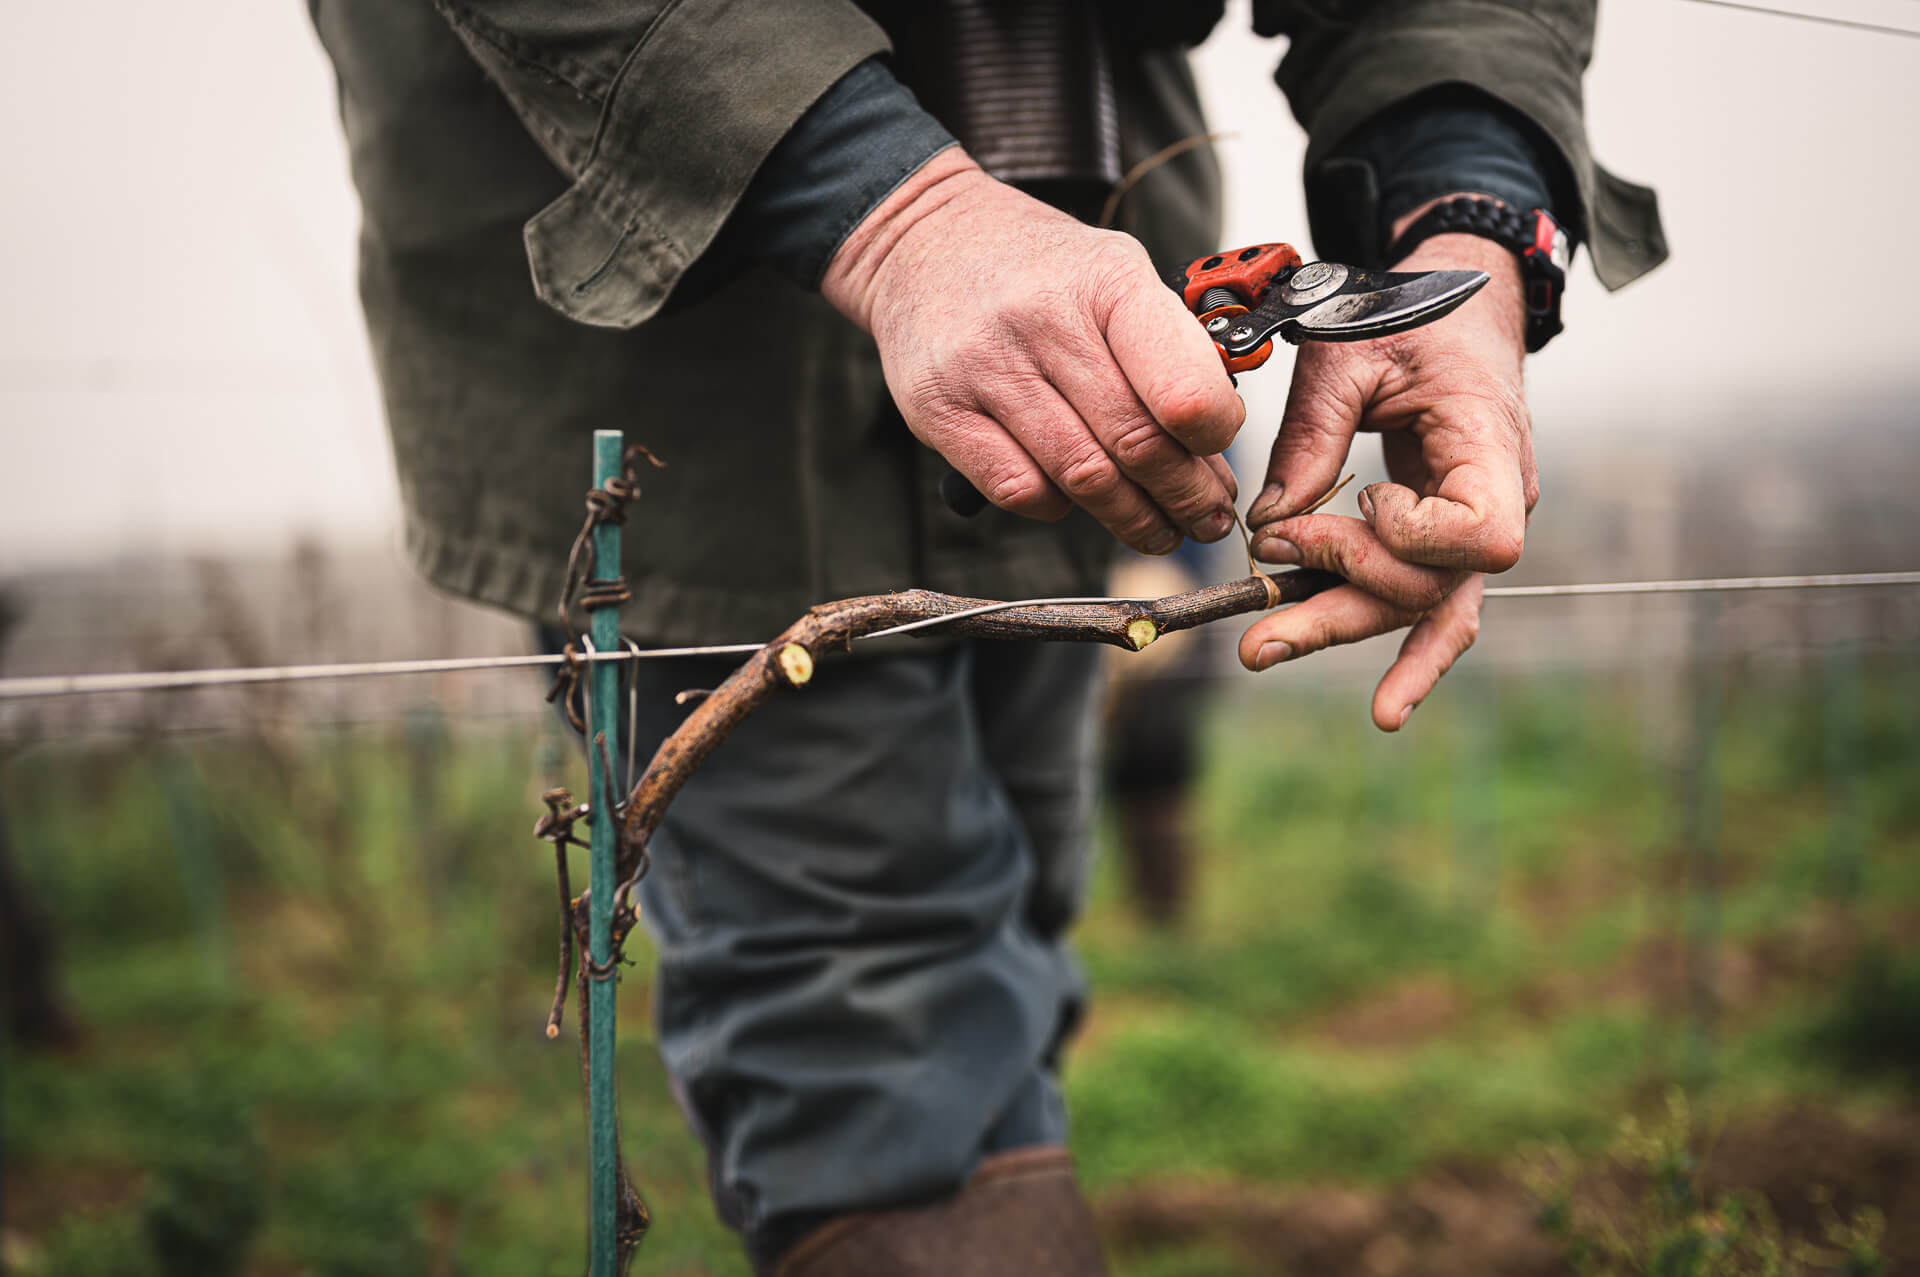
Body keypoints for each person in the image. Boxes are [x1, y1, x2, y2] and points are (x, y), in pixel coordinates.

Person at [309, 3, 1665, 1272]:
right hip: (693, 393)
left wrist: (1467, 211)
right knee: (881, 1052)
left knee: (1012, 944)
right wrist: (890, 209)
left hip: (1095, 351)